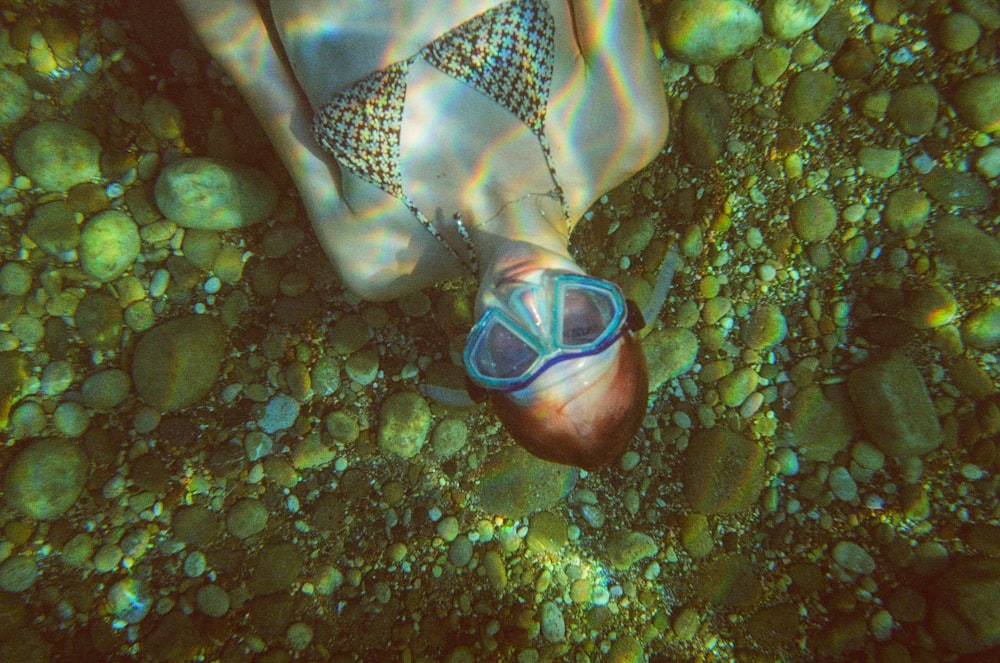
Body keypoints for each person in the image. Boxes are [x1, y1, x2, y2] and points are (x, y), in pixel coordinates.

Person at [177, 0, 669, 469]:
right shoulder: (627, 129)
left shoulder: (377, 260)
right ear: (617, 307)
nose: (529, 304)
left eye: (513, 352)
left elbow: (248, 57)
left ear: (480, 365)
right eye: (581, 327)